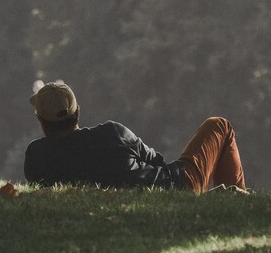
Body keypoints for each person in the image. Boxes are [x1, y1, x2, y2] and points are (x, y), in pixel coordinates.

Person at [24, 81, 247, 193]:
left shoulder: (36, 156)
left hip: (162, 191)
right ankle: (239, 201)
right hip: (175, 185)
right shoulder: (113, 133)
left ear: (42, 122)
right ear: (77, 112)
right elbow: (157, 161)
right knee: (219, 125)